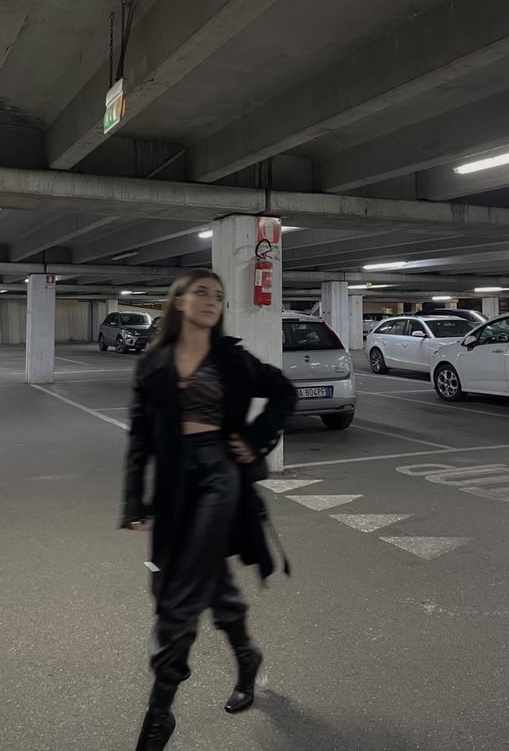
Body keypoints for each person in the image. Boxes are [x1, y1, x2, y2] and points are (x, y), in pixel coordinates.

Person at [121, 268, 297, 751]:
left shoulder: (231, 358)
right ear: (179, 302)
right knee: (209, 575)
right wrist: (134, 498)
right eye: (201, 292)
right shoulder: (152, 364)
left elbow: (284, 391)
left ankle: (159, 715)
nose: (211, 300)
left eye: (218, 295)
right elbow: (140, 436)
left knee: (181, 590)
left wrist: (256, 440)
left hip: (222, 475)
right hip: (177, 482)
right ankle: (247, 654)